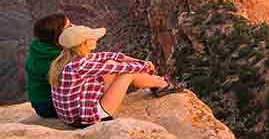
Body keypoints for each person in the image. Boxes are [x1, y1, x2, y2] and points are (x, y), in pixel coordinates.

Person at [49, 25, 183, 127]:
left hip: (73, 115)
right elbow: (121, 68)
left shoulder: (68, 58)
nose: (95, 39)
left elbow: (110, 57)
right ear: (84, 43)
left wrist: (140, 62)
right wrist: (146, 67)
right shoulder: (79, 65)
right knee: (127, 73)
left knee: (110, 62)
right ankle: (162, 85)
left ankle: (157, 83)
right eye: (92, 38)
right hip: (85, 119)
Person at [25, 13, 71, 118]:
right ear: (58, 34)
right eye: (69, 27)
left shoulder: (40, 46)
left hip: (41, 102)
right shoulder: (52, 58)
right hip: (47, 105)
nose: (74, 27)